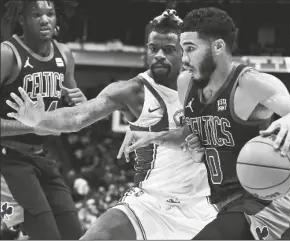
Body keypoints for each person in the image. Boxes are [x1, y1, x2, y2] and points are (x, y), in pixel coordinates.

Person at [115, 7, 290, 240]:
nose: (183, 58)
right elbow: (193, 132)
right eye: (182, 49)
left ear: (218, 46)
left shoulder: (250, 84)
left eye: (190, 49)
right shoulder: (186, 83)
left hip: (266, 207)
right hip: (224, 207)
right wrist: (153, 134)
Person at [6, 10, 218, 240]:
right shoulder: (132, 91)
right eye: (152, 48)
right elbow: (77, 117)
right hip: (149, 203)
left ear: (185, 52)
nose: (158, 55)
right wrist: (40, 118)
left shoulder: (206, 88)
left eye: (168, 50)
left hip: (199, 207)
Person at [0, 0, 86, 239]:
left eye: (50, 13)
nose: (45, 19)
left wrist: (81, 104)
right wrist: (30, 126)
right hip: (7, 161)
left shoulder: (64, 54)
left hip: (42, 156)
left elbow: (74, 117)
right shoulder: (7, 54)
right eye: (36, 14)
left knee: (75, 234)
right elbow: (39, 126)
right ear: (21, 19)